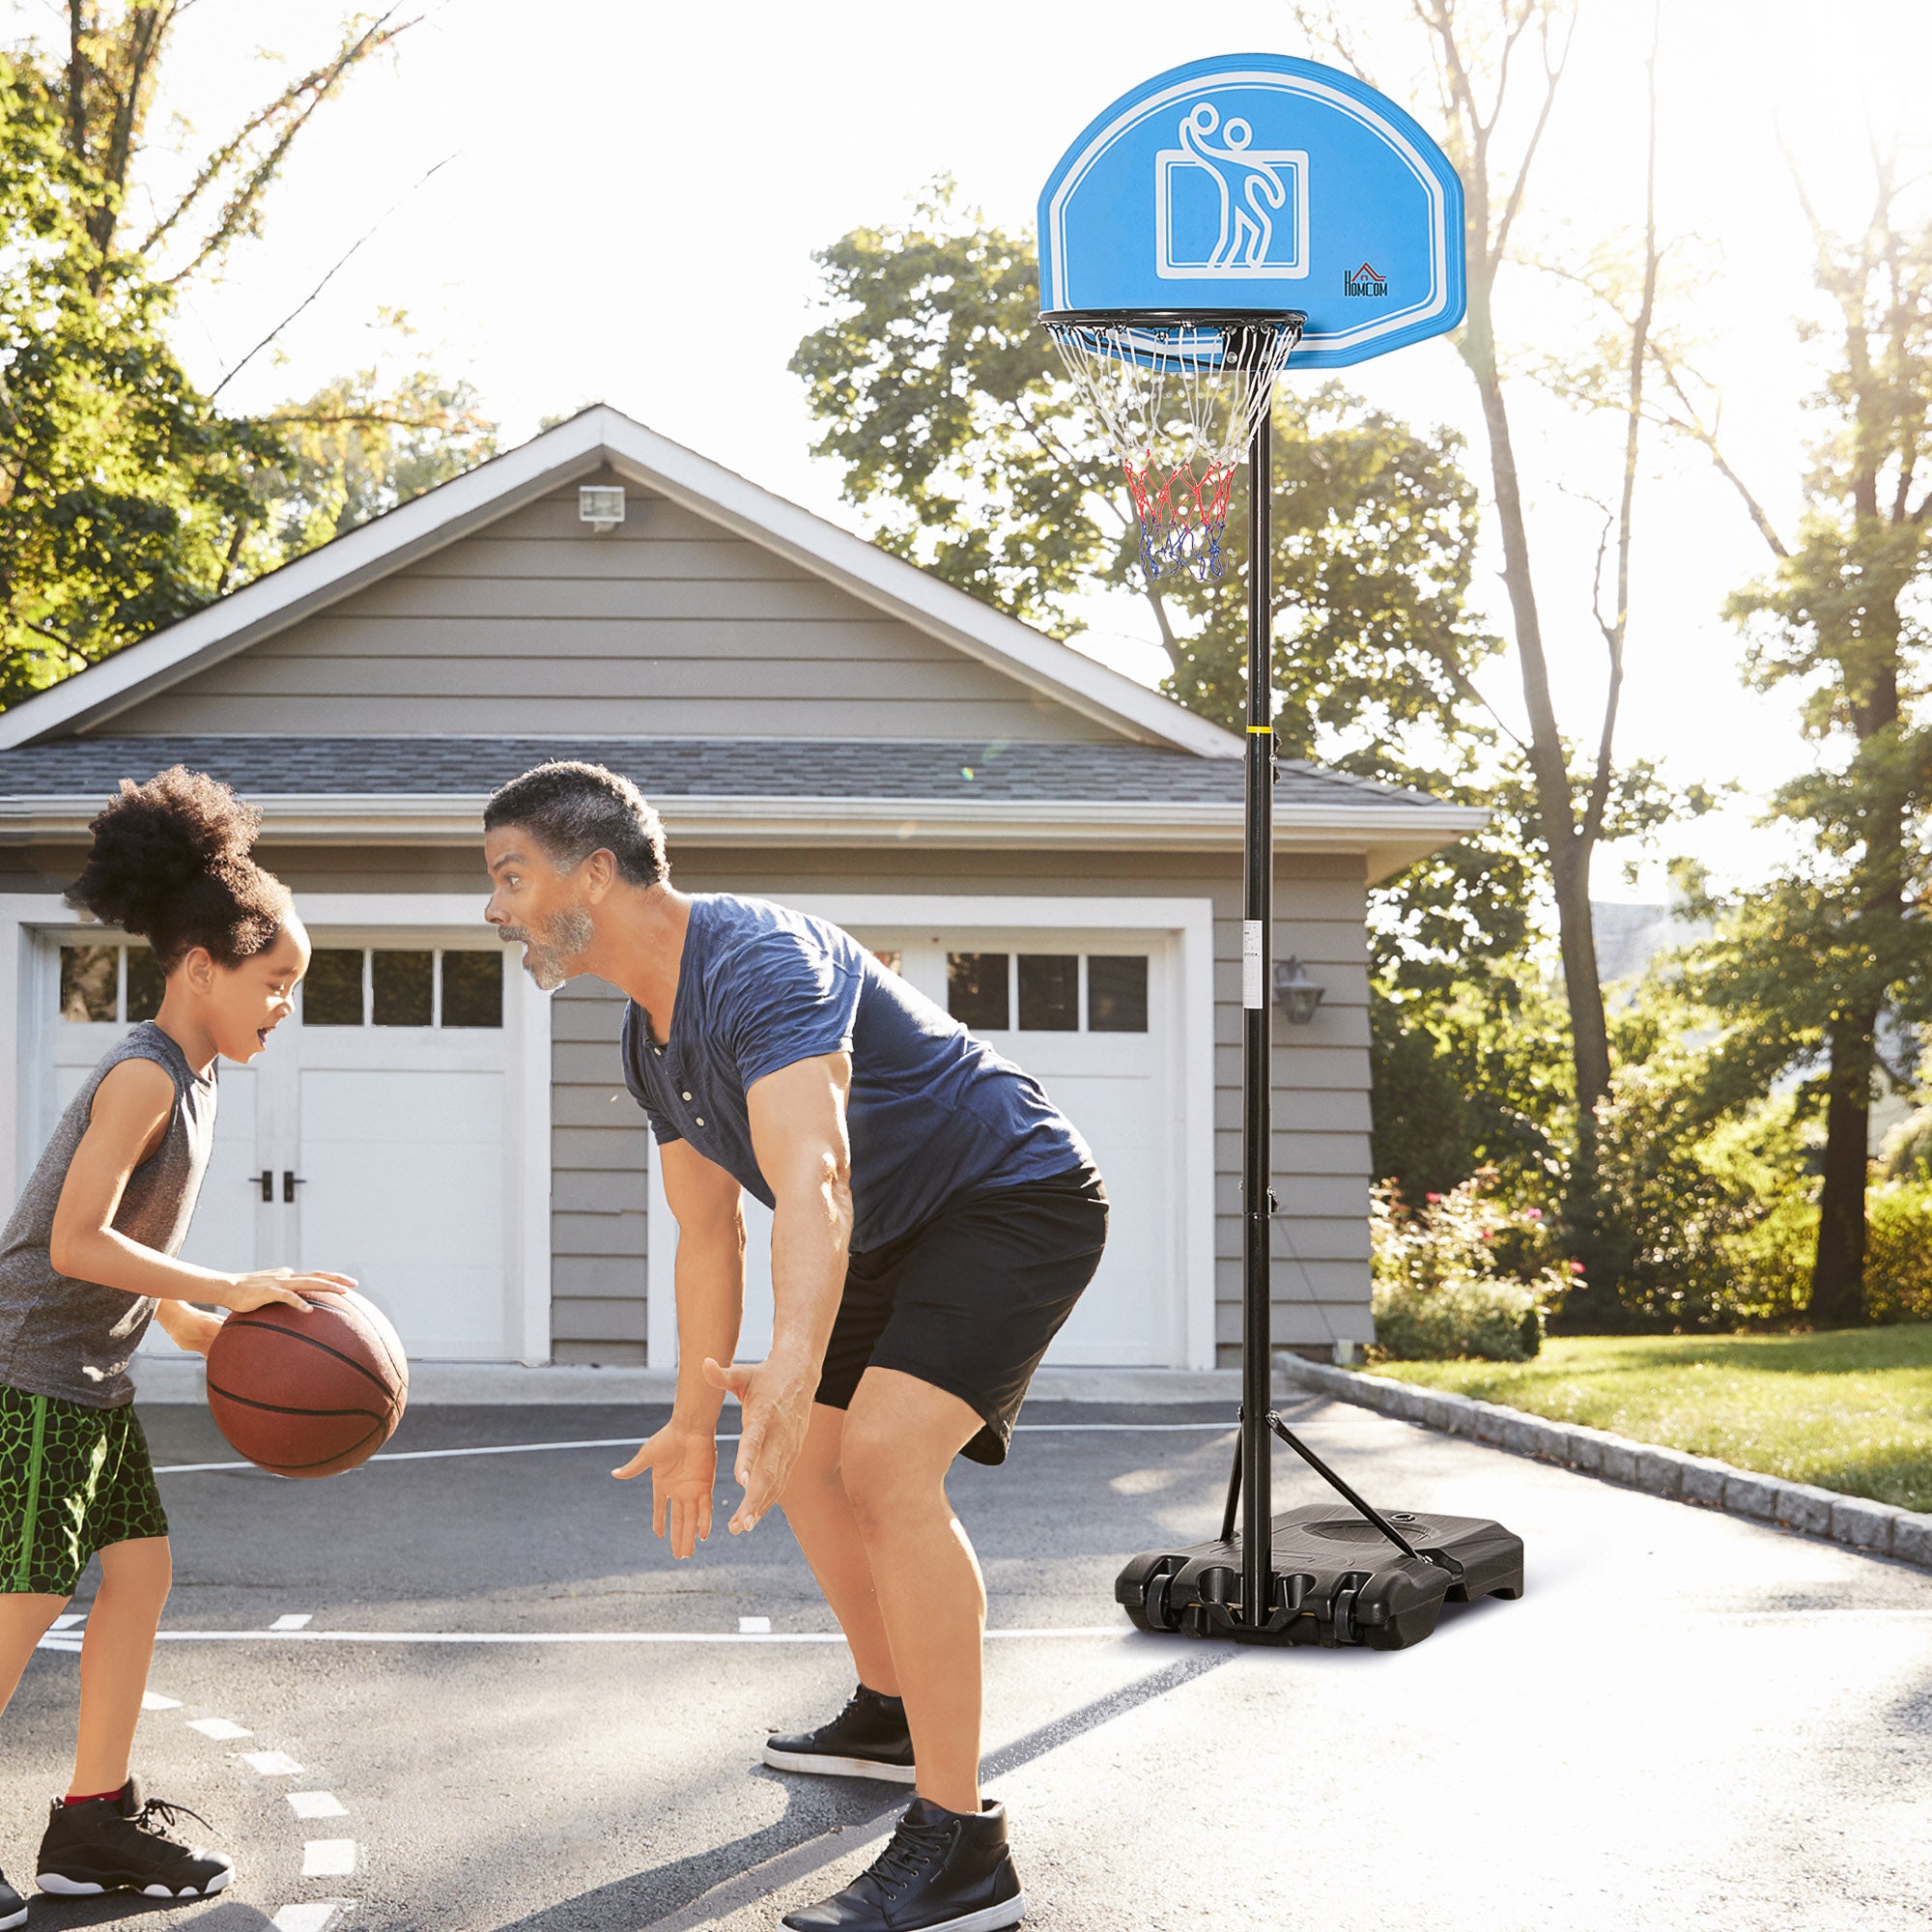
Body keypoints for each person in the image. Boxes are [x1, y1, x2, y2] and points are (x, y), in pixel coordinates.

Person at [482, 760, 1107, 1932]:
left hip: (1011, 1193)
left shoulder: (761, 961)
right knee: (811, 1463)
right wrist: (689, 1416)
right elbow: (706, 1233)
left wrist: (789, 1362)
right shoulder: (647, 1039)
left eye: (509, 875)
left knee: (877, 1462)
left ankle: (963, 1842)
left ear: (596, 872)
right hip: (891, 1223)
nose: (493, 906)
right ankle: (891, 1704)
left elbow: (813, 1178)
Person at [0, 769, 354, 1925]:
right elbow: (72, 1239)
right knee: (22, 1600)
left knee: (138, 1577)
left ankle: (90, 1819)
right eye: (275, 981)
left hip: (91, 1377)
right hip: (28, 1372)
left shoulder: (194, 1083)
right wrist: (218, 1280)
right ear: (201, 964)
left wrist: (224, 1319)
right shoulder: (145, 1071)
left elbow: (135, 1267)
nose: (283, 1005)